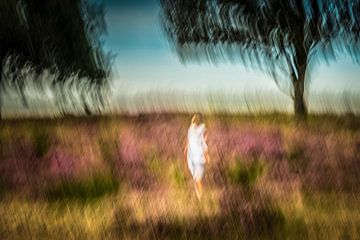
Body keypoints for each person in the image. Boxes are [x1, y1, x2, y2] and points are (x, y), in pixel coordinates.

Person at [184, 113, 209, 200]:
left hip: (195, 157)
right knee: (196, 179)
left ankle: (200, 198)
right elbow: (190, 140)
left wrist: (206, 155)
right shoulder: (192, 129)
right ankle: (200, 197)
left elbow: (203, 143)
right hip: (194, 157)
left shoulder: (196, 129)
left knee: (197, 179)